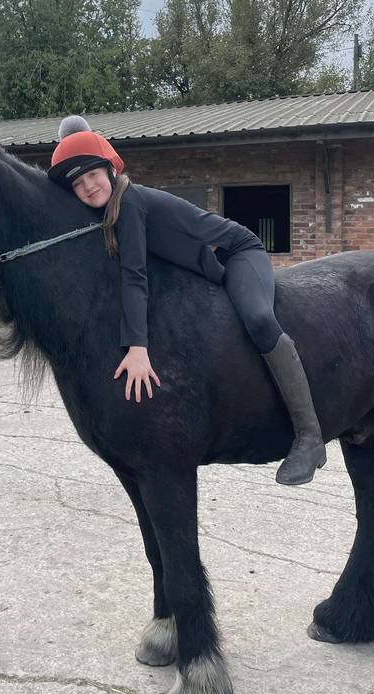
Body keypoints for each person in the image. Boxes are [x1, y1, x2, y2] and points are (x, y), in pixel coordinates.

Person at [48, 115, 326, 486]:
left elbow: (134, 275)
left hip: (236, 251)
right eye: (78, 184)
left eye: (93, 175)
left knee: (259, 319)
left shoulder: (129, 203)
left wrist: (137, 347)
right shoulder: (108, 212)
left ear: (111, 170)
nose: (88, 186)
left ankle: (309, 436)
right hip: (204, 267)